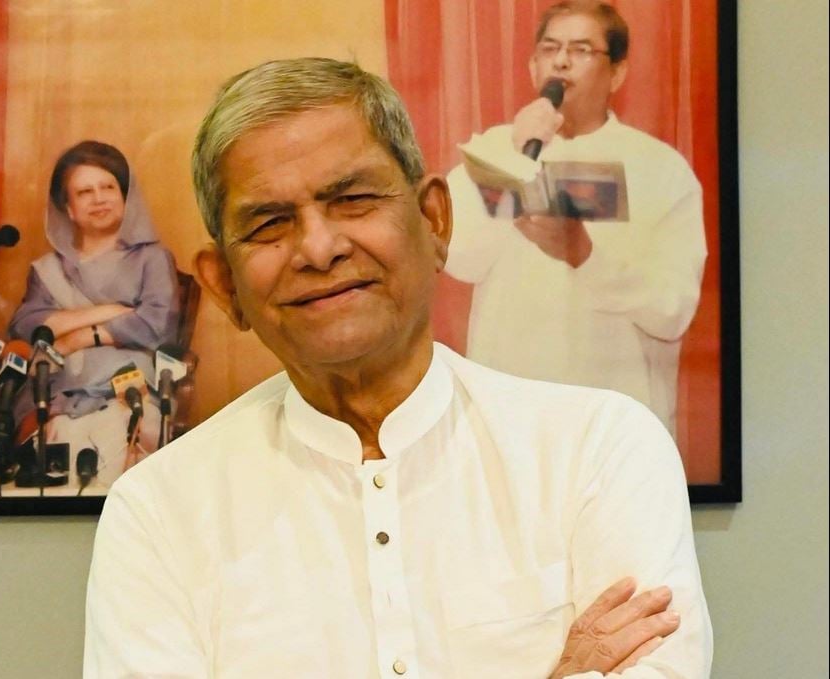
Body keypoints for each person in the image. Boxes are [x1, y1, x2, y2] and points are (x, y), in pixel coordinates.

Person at [84, 58, 711, 677]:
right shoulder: (160, 511)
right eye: (270, 224)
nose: (319, 249)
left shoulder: (596, 449)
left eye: (353, 200)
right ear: (225, 286)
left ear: (434, 220)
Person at [445, 0, 707, 436]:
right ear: (533, 67)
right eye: (550, 49)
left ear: (617, 73)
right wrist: (517, 153)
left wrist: (585, 255)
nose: (561, 61)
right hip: (509, 416)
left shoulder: (660, 169)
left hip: (615, 418)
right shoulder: (494, 150)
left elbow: (672, 310)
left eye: (581, 50)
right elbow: (457, 256)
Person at [9, 140, 180, 489]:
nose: (99, 199)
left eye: (108, 187)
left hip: (127, 395)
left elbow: (158, 324)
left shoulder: (152, 258)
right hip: (59, 399)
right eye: (85, 192)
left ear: (125, 197)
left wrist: (79, 337)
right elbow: (27, 324)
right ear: (68, 208)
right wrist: (110, 312)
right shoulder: (48, 270)